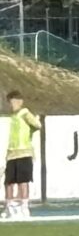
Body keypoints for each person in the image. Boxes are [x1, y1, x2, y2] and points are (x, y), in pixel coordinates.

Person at [2, 91, 39, 221]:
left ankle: (24, 208)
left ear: (19, 101)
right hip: (12, 154)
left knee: (23, 181)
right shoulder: (13, 116)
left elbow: (37, 125)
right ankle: (9, 207)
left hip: (24, 152)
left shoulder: (25, 113)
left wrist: (30, 132)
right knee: (9, 182)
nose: (11, 104)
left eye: (12, 101)